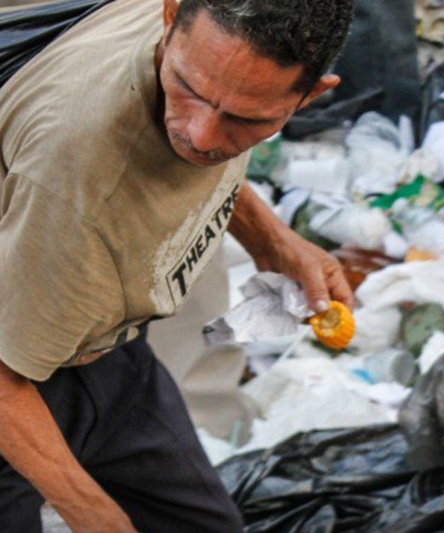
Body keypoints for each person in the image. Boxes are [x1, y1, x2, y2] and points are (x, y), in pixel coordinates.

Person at [0, 0, 355, 531]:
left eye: (244, 119)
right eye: (188, 89)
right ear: (170, 18)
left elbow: (203, 139)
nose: (202, 135)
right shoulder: (74, 173)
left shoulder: (200, 37)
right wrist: (93, 513)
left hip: (108, 354)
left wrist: (273, 238)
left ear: (312, 95)